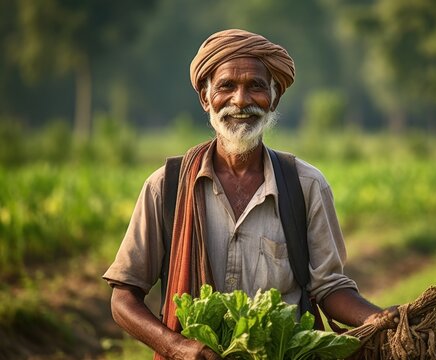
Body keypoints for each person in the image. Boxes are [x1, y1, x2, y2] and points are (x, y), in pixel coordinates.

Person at [103, 29, 396, 360]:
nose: (240, 101)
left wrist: (380, 318)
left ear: (274, 98)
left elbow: (330, 289)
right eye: (226, 86)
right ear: (205, 97)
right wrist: (178, 347)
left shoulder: (306, 186)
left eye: (255, 86)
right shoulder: (166, 187)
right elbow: (123, 297)